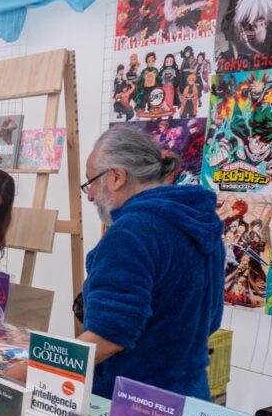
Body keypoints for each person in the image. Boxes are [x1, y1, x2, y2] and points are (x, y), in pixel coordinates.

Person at [78, 125, 224, 399]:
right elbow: (211, 319)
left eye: (91, 182)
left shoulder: (131, 232)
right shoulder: (202, 224)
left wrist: (30, 368)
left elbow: (108, 338)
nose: (90, 195)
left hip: (135, 403)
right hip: (189, 394)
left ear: (117, 177)